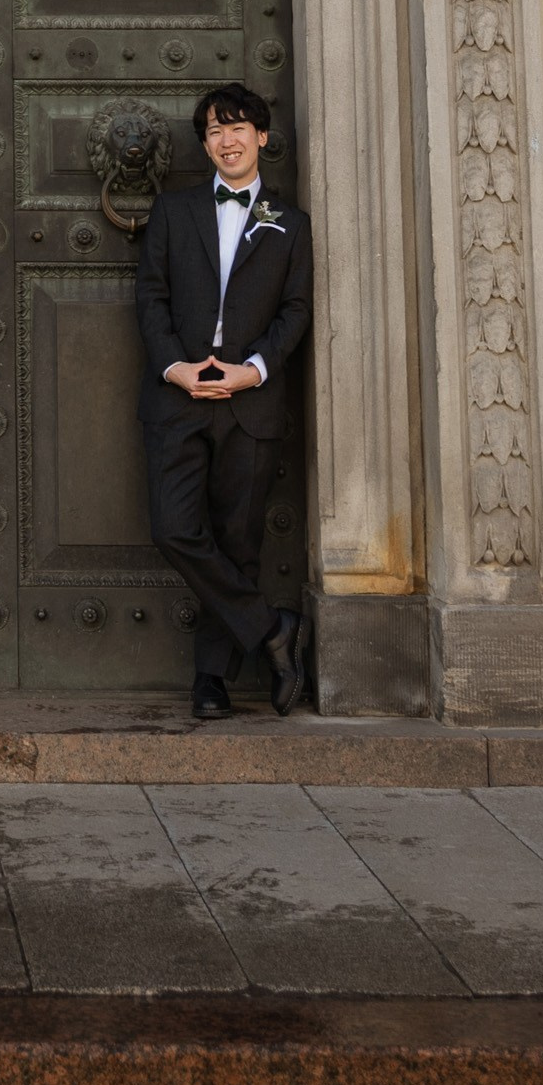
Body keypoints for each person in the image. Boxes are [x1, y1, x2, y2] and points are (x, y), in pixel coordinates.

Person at [135, 84, 313, 722]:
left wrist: (255, 371)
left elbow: (295, 312)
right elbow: (151, 297)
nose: (227, 140)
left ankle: (210, 680)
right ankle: (273, 628)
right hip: (180, 395)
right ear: (205, 142)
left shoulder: (291, 225)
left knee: (238, 543)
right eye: (215, 131)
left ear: (261, 137)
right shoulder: (173, 212)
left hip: (249, 401)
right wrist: (174, 367)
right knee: (175, 528)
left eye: (239, 128)